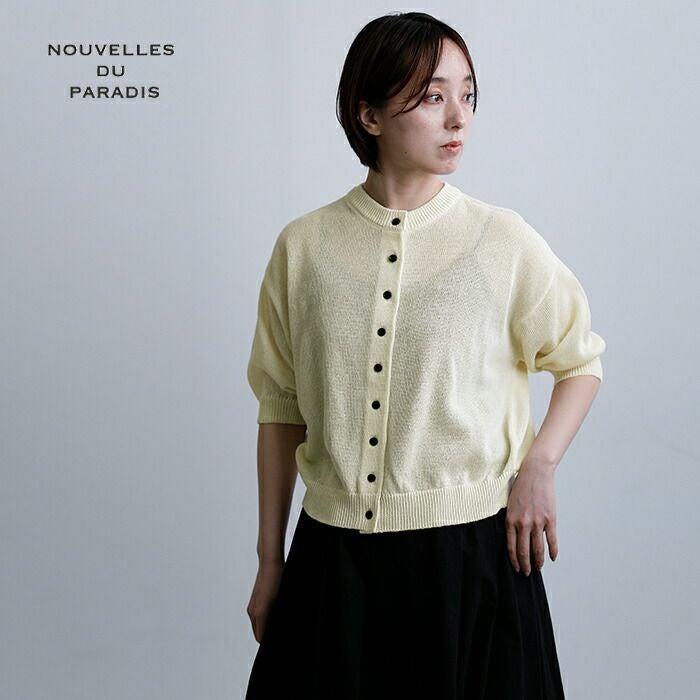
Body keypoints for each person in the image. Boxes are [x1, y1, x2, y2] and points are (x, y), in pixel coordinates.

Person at [244, 10, 605, 699]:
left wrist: (539, 467)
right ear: (370, 115)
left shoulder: (501, 240)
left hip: (470, 564)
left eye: (467, 94)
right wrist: (270, 562)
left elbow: (580, 362)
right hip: (332, 562)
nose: (458, 117)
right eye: (433, 97)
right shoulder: (303, 248)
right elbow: (280, 407)